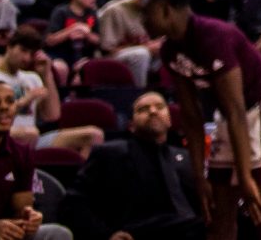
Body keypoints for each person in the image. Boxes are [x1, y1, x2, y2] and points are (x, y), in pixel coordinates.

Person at [143, 0, 261, 240]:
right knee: (218, 205)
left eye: (146, 13)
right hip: (230, 113)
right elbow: (191, 115)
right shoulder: (170, 50)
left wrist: (245, 177)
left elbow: (236, 109)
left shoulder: (214, 36)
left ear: (166, 9)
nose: (142, 21)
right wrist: (199, 176)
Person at [63, 90, 202, 240]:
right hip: (137, 230)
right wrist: (106, 234)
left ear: (169, 120)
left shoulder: (185, 157)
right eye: (143, 109)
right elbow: (74, 202)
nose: (153, 111)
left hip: (187, 227)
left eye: (160, 107)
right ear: (131, 125)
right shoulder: (110, 154)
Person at [0, 85, 69, 240]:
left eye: (10, 101)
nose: (3, 107)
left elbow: (20, 210)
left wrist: (29, 218)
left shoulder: (21, 153)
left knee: (58, 233)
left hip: (4, 234)